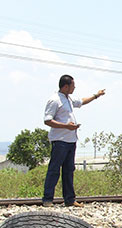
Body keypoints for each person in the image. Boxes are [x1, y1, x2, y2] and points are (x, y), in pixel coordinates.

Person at [42, 74, 105, 207]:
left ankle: (69, 199)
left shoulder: (69, 98)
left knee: (69, 170)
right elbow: (47, 120)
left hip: (70, 140)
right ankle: (47, 199)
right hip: (60, 140)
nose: (74, 87)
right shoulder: (54, 100)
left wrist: (96, 95)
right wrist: (66, 126)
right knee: (54, 169)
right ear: (65, 86)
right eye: (72, 85)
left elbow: (81, 101)